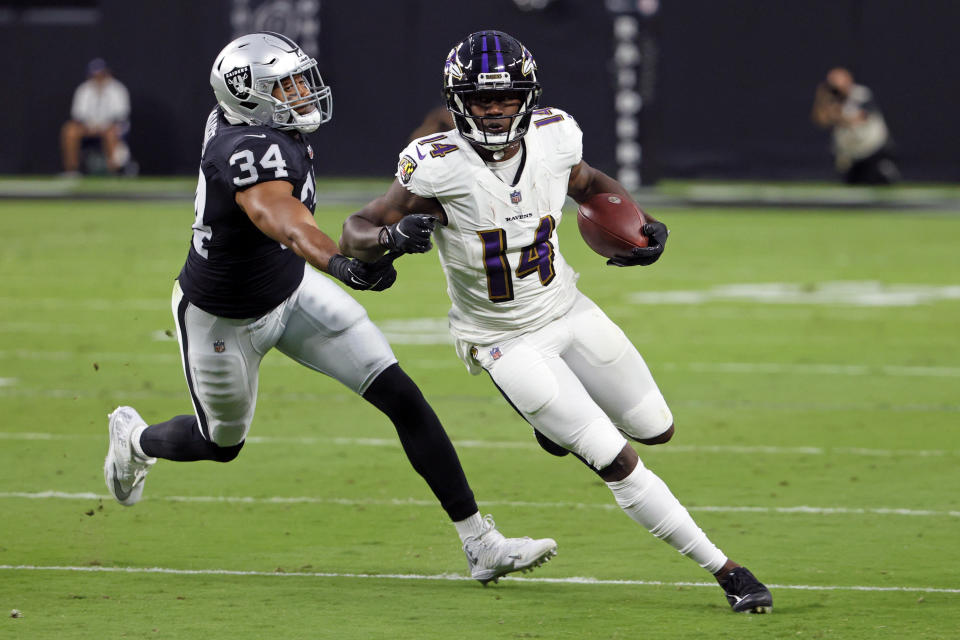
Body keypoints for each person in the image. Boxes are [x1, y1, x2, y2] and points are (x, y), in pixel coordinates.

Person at [339, 30, 773, 613]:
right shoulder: (435, 166)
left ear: (529, 97)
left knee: (656, 427)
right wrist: (390, 237)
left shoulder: (555, 136)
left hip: (567, 306)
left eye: (505, 97)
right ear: (456, 101)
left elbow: (591, 185)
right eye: (480, 99)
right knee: (614, 457)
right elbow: (356, 230)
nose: (493, 110)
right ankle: (727, 570)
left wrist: (637, 224)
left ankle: (550, 425)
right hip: (502, 338)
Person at [102, 31, 557, 585]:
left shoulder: (257, 125)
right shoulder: (244, 147)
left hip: (289, 291)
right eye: (288, 86)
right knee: (219, 445)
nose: (302, 94)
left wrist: (371, 247)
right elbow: (284, 220)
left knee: (401, 395)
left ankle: (480, 543)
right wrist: (340, 263)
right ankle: (134, 438)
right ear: (249, 95)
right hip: (224, 317)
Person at [811, 67, 899, 184]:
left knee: (877, 179)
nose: (835, 89)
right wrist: (821, 101)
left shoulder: (860, 93)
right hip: (851, 151)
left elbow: (859, 118)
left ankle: (885, 168)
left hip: (872, 147)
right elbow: (821, 121)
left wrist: (836, 114)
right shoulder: (831, 99)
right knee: (853, 182)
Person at [61, 58, 132, 176]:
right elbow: (78, 115)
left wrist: (104, 126)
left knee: (112, 133)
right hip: (88, 127)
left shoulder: (118, 89)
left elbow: (121, 115)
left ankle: (114, 171)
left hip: (110, 127)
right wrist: (90, 126)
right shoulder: (84, 89)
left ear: (107, 74)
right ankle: (72, 171)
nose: (98, 79)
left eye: (101, 75)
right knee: (70, 131)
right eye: (95, 75)